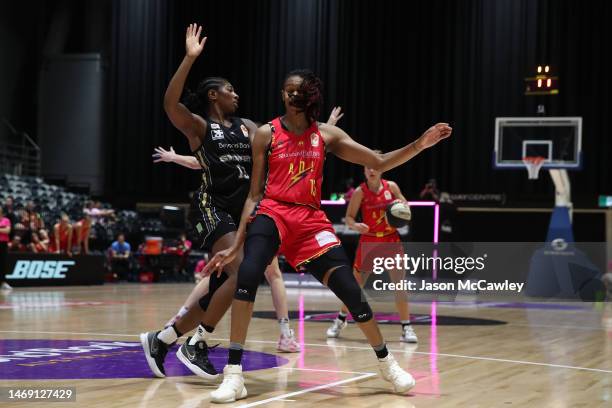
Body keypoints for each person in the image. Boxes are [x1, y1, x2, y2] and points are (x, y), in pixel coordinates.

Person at [204, 69, 451, 402]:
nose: (289, 95)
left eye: (296, 90)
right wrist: (236, 245)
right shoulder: (265, 134)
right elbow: (253, 194)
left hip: (309, 221)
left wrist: (419, 144)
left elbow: (378, 160)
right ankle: (234, 374)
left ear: (309, 95)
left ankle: (388, 363)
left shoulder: (327, 135)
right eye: (285, 90)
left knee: (350, 289)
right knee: (248, 273)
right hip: (273, 213)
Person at [141, 24, 301, 382]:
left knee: (223, 288)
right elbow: (170, 104)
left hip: (241, 212)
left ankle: (162, 340)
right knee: (244, 271)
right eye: (229, 90)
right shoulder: (199, 127)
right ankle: (197, 344)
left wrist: (312, 128)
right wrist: (189, 59)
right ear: (213, 95)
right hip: (210, 206)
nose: (236, 94)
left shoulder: (246, 126)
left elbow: (280, 139)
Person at [327, 157, 417, 343]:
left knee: (399, 285)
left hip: (391, 240)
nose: (372, 170)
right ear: (364, 170)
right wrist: (356, 226)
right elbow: (349, 218)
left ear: (382, 169)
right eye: (368, 167)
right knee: (354, 286)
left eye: (375, 167)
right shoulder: (360, 192)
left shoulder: (391, 187)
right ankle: (340, 319)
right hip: (369, 242)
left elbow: (405, 206)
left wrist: (402, 209)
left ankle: (407, 327)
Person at [0, 206, 12, 291]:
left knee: (3, 263)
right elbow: (4, 230)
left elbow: (7, 231)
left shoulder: (6, 220)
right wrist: (2, 229)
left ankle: (3, 283)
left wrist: (3, 230)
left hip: (3, 244)